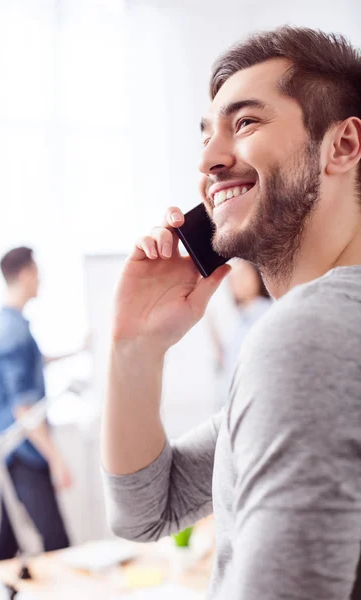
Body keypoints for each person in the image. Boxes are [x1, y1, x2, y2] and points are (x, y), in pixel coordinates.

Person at [101, 26, 361, 599]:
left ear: (341, 146)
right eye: (206, 134)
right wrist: (134, 346)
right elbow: (147, 510)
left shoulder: (312, 336)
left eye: (244, 123)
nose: (210, 160)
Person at [0, 247, 85, 560]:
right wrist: (56, 459)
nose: (41, 280)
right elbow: (23, 407)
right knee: (58, 544)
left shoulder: (2, 327)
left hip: (9, 453)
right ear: (26, 274)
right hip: (23, 453)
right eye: (38, 273)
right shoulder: (12, 333)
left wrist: (78, 351)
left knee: (7, 543)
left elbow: (33, 364)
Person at [208, 259, 272, 408]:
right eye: (232, 278)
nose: (237, 281)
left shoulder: (268, 312)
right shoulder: (239, 320)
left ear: (257, 274)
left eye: (243, 274)